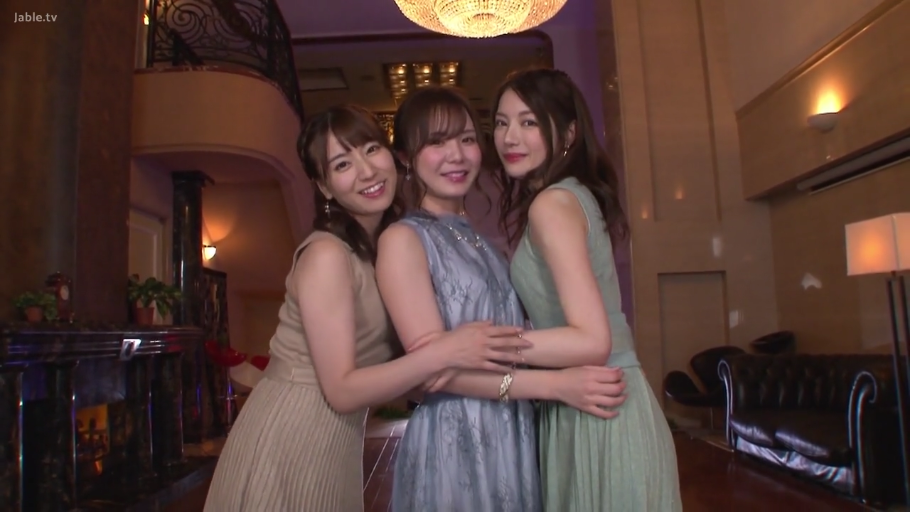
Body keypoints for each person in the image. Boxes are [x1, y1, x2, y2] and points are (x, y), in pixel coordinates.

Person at [203, 104, 531, 512]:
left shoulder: (384, 249)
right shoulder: (327, 255)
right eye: (342, 164)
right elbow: (342, 390)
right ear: (324, 187)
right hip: (290, 433)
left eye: (371, 150)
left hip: (336, 438)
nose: (366, 171)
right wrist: (448, 350)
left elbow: (401, 372)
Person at [375, 86, 629, 512]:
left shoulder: (479, 239)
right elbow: (433, 371)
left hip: (511, 429)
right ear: (405, 157)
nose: (456, 155)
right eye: (437, 142)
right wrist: (554, 385)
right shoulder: (403, 239)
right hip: (457, 436)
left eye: (466, 139)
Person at [491, 68, 682, 511]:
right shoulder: (571, 195)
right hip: (599, 397)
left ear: (569, 133)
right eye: (501, 122)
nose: (509, 137)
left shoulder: (552, 204)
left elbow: (592, 340)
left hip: (599, 406)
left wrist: (488, 348)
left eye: (528, 121)